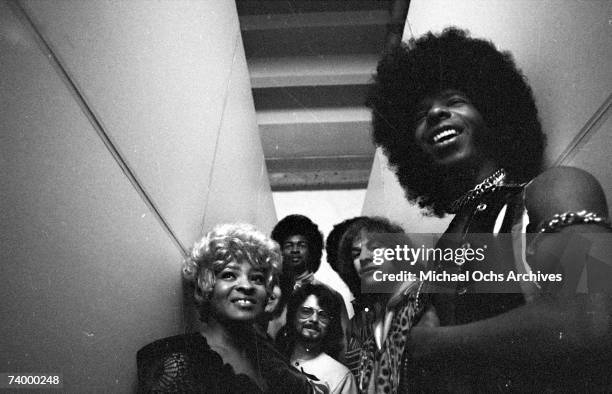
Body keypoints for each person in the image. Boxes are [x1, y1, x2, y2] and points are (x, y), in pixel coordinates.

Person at [368, 27, 612, 391]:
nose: (435, 113)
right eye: (420, 114)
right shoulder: (442, 250)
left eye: (454, 100)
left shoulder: (558, 190)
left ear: (494, 109)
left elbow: (593, 319)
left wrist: (430, 345)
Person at [136, 223, 326, 393]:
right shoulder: (176, 359)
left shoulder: (270, 357)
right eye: (229, 275)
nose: (247, 286)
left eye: (257, 278)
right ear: (206, 284)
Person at [333, 217, 423, 393]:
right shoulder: (373, 319)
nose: (364, 258)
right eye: (355, 254)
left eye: (375, 248)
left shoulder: (425, 298)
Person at [270, 215, 349, 350]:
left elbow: (343, 345)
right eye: (289, 245)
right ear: (280, 251)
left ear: (312, 250)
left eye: (302, 245)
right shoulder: (270, 293)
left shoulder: (332, 295)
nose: (295, 250)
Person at [277, 284, 357, 394]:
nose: (314, 319)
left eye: (322, 315)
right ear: (293, 315)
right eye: (306, 311)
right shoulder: (274, 359)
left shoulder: (341, 376)